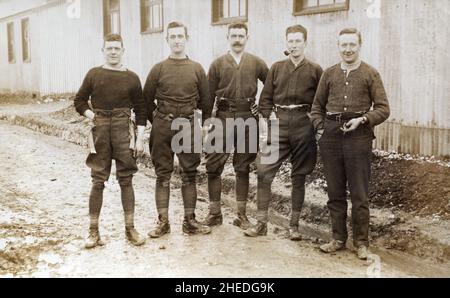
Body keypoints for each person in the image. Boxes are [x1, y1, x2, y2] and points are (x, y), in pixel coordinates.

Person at [310, 28, 390, 260]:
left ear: (359, 45)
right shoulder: (329, 74)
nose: (347, 49)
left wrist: (363, 119)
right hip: (331, 135)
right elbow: (316, 107)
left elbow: (383, 108)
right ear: (338, 46)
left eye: (352, 45)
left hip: (359, 135)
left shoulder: (370, 74)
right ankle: (337, 238)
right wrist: (322, 127)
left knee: (359, 192)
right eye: (343, 45)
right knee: (334, 190)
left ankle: (361, 242)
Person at [244, 25, 322, 239]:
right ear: (286, 43)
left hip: (304, 124)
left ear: (305, 43)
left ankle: (293, 226)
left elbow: (320, 101)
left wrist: (315, 124)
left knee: (299, 176)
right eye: (291, 41)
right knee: (263, 171)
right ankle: (261, 223)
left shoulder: (315, 70)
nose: (294, 45)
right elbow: (265, 98)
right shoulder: (277, 68)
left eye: (298, 41)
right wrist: (269, 117)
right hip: (278, 124)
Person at [74, 33, 147, 248]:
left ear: (123, 50)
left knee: (126, 179)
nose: (113, 52)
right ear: (103, 51)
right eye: (109, 48)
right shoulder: (94, 74)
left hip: (124, 129)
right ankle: (93, 232)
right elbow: (79, 101)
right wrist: (91, 115)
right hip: (101, 129)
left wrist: (140, 138)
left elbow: (141, 109)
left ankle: (130, 229)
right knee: (98, 180)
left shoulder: (132, 77)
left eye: (117, 48)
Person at [143, 21, 213, 237]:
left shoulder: (197, 69)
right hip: (163, 124)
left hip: (188, 125)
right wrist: (159, 122)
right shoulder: (158, 69)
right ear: (167, 40)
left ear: (186, 38)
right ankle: (163, 223)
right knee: (162, 174)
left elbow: (207, 101)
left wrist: (204, 124)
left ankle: (190, 221)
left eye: (180, 36)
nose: (176, 40)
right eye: (172, 37)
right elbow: (146, 101)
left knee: (189, 174)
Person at [203, 22, 268, 229]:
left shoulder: (257, 62)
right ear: (228, 38)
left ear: (247, 37)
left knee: (243, 167)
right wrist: (207, 122)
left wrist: (262, 108)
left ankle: (241, 215)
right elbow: (206, 96)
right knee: (213, 166)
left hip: (248, 118)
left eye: (241, 35)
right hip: (222, 117)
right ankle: (214, 213)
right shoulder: (217, 64)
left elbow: (271, 86)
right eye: (234, 35)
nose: (237, 39)